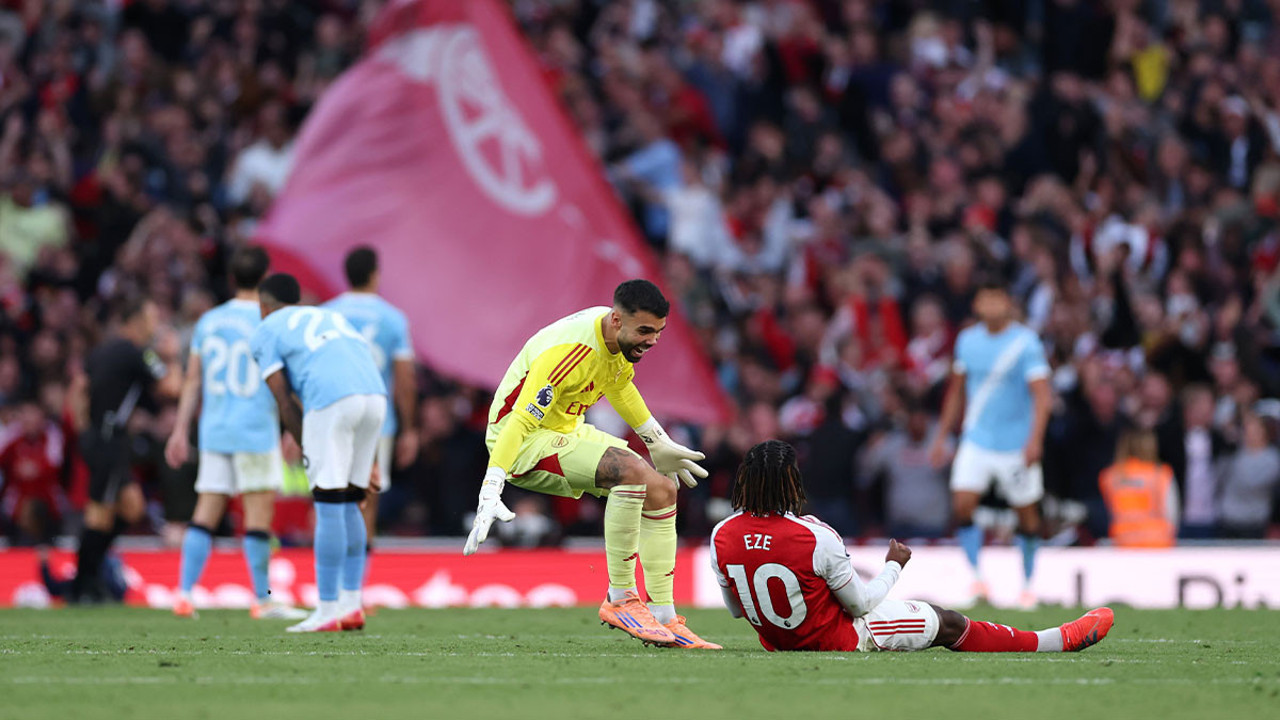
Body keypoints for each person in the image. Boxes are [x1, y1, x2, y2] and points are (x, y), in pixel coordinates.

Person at [464, 279, 718, 649]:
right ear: (617, 320)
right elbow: (520, 421)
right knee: (629, 473)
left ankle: (665, 616)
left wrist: (656, 441)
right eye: (645, 331)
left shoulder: (615, 341)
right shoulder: (570, 350)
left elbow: (619, 386)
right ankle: (621, 598)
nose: (651, 341)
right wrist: (492, 484)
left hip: (565, 428)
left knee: (663, 488)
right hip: (523, 442)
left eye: (658, 332)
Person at [711, 440, 1113, 654]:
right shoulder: (814, 535)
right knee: (949, 621)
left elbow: (735, 610)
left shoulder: (722, 534)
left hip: (779, 642)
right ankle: (1054, 642)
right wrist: (893, 566)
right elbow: (860, 606)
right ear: (791, 483)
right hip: (843, 637)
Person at [164, 247, 306, 620]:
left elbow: (192, 379)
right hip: (255, 430)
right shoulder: (270, 320)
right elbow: (285, 381)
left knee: (204, 513)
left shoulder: (208, 321)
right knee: (258, 517)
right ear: (265, 279)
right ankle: (263, 599)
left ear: (231, 278)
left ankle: (183, 593)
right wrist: (294, 428)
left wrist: (180, 430)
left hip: (214, 430)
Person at [250, 273, 387, 632]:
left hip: (332, 399)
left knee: (328, 502)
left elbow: (282, 397)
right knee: (353, 500)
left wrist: (307, 443)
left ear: (263, 307)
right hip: (374, 398)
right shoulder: (331, 315)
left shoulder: (265, 330)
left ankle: (327, 609)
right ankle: (351, 604)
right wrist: (368, 456)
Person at [929, 281, 1051, 608]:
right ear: (978, 303)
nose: (992, 304)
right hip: (977, 439)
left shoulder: (1026, 343)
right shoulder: (967, 341)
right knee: (962, 505)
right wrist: (941, 436)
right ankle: (977, 579)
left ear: (1008, 302)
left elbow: (1042, 395)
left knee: (1027, 515)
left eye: (998, 296)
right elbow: (956, 391)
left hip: (1015, 444)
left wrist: (1035, 440)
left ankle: (1028, 584)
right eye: (987, 296)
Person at [72, 297, 179, 602]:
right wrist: (171, 356)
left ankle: (91, 573)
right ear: (136, 321)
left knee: (133, 509)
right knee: (100, 513)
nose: (155, 323)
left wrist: (85, 427)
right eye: (151, 316)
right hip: (107, 439)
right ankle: (84, 583)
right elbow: (171, 387)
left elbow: (79, 387)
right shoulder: (138, 353)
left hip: (105, 438)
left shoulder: (104, 350)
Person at [323, 246, 418, 539]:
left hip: (332, 416)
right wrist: (409, 428)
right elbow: (404, 380)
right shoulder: (393, 318)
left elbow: (315, 372)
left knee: (329, 497)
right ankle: (357, 580)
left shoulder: (327, 315)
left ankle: (324, 576)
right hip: (376, 421)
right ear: (375, 275)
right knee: (367, 499)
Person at [1098, 429, 1178, 548]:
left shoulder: (1110, 476)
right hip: (1157, 545)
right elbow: (1172, 513)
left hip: (1123, 543)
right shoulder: (1160, 474)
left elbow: (1108, 511)